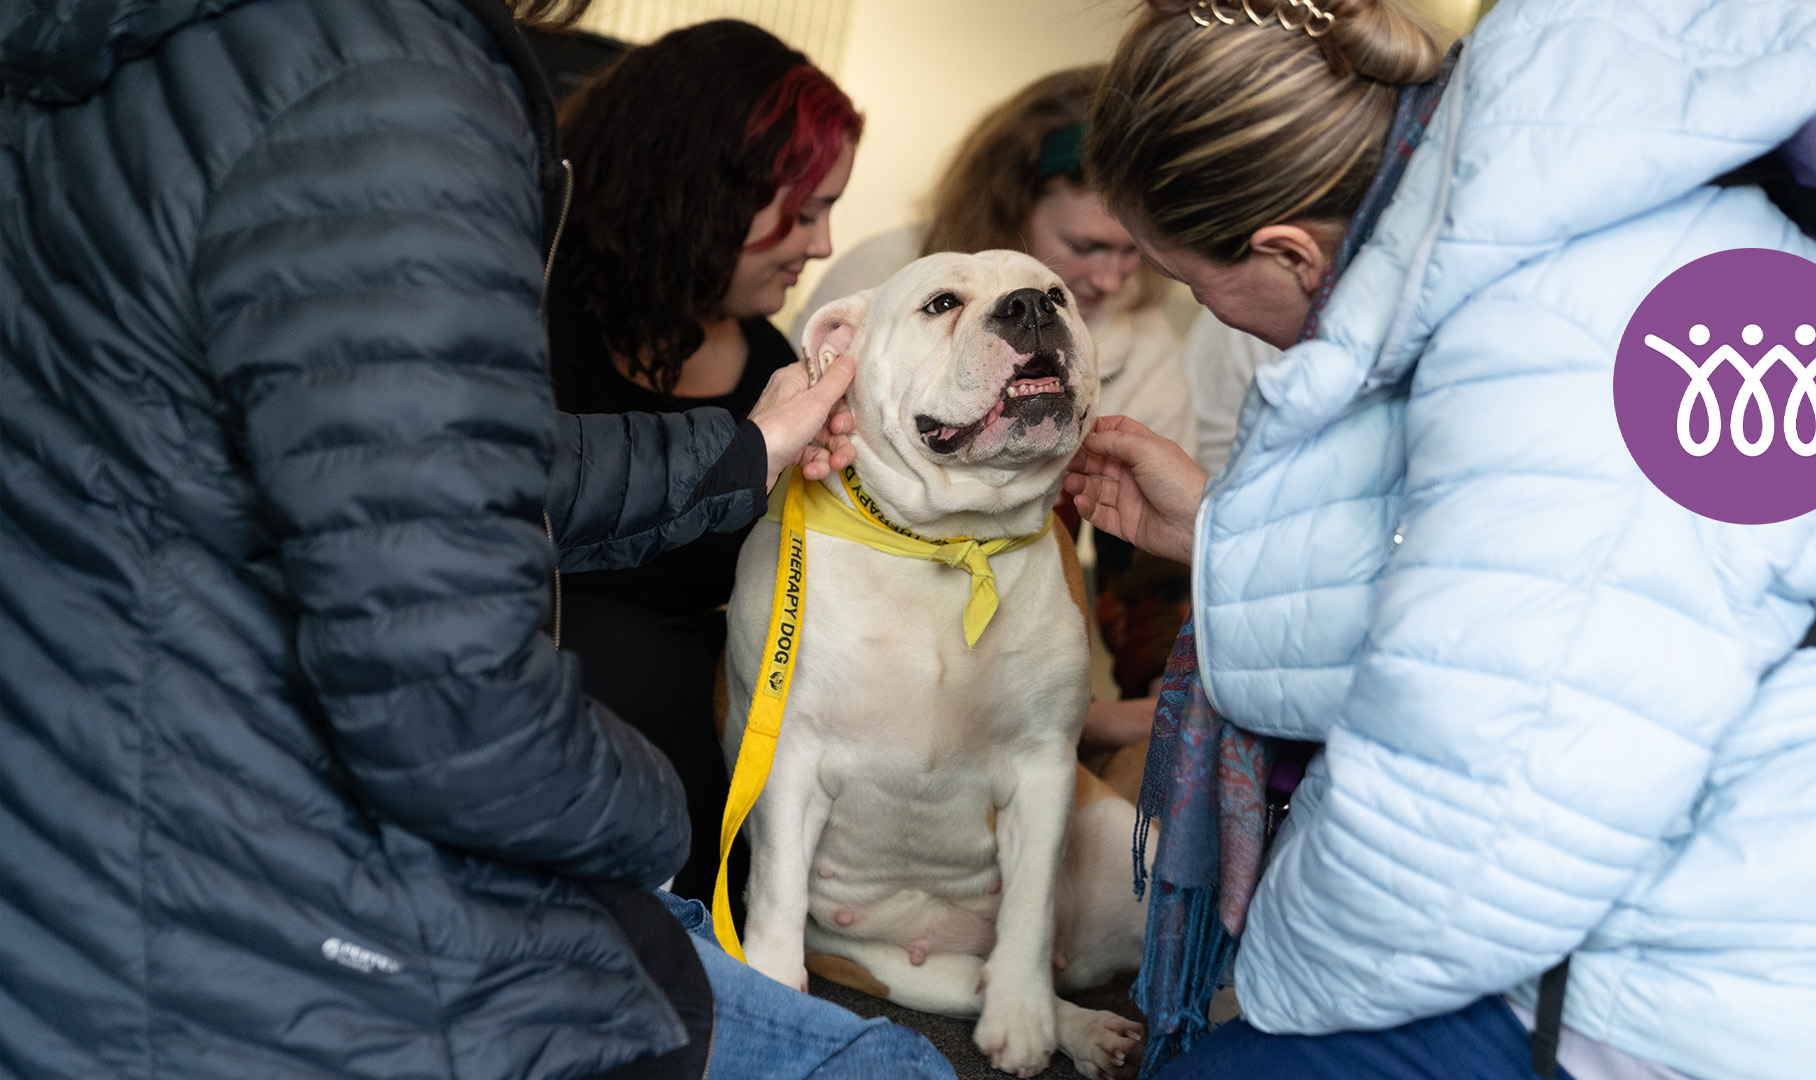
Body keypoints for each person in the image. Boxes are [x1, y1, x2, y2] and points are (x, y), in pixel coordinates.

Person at [0, 1, 953, 1078]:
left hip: (83, 839)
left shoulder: (170, 51)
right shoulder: (383, 87)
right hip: (251, 904)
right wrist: (662, 824)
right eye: (801, 207)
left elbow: (417, 459)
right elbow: (452, 698)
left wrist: (746, 449)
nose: (821, 241)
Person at [1065, 1, 1816, 1079]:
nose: (1209, 309)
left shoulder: (1566, 332)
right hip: (1754, 921)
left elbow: (1471, 830)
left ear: (1288, 252)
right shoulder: (1606, 238)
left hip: (1694, 995)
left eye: (1195, 284)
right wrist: (1224, 533)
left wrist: (1263, 996)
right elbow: (1498, 599)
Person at [795, 68, 1197, 777]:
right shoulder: (884, 277)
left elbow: (1145, 561)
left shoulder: (1141, 334)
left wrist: (1158, 696)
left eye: (1132, 249)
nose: (1109, 280)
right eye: (1085, 246)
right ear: (1011, 210)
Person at [547, 19, 861, 909]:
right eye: (803, 212)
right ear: (696, 191)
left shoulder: (778, 373)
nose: (824, 244)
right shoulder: (531, 313)